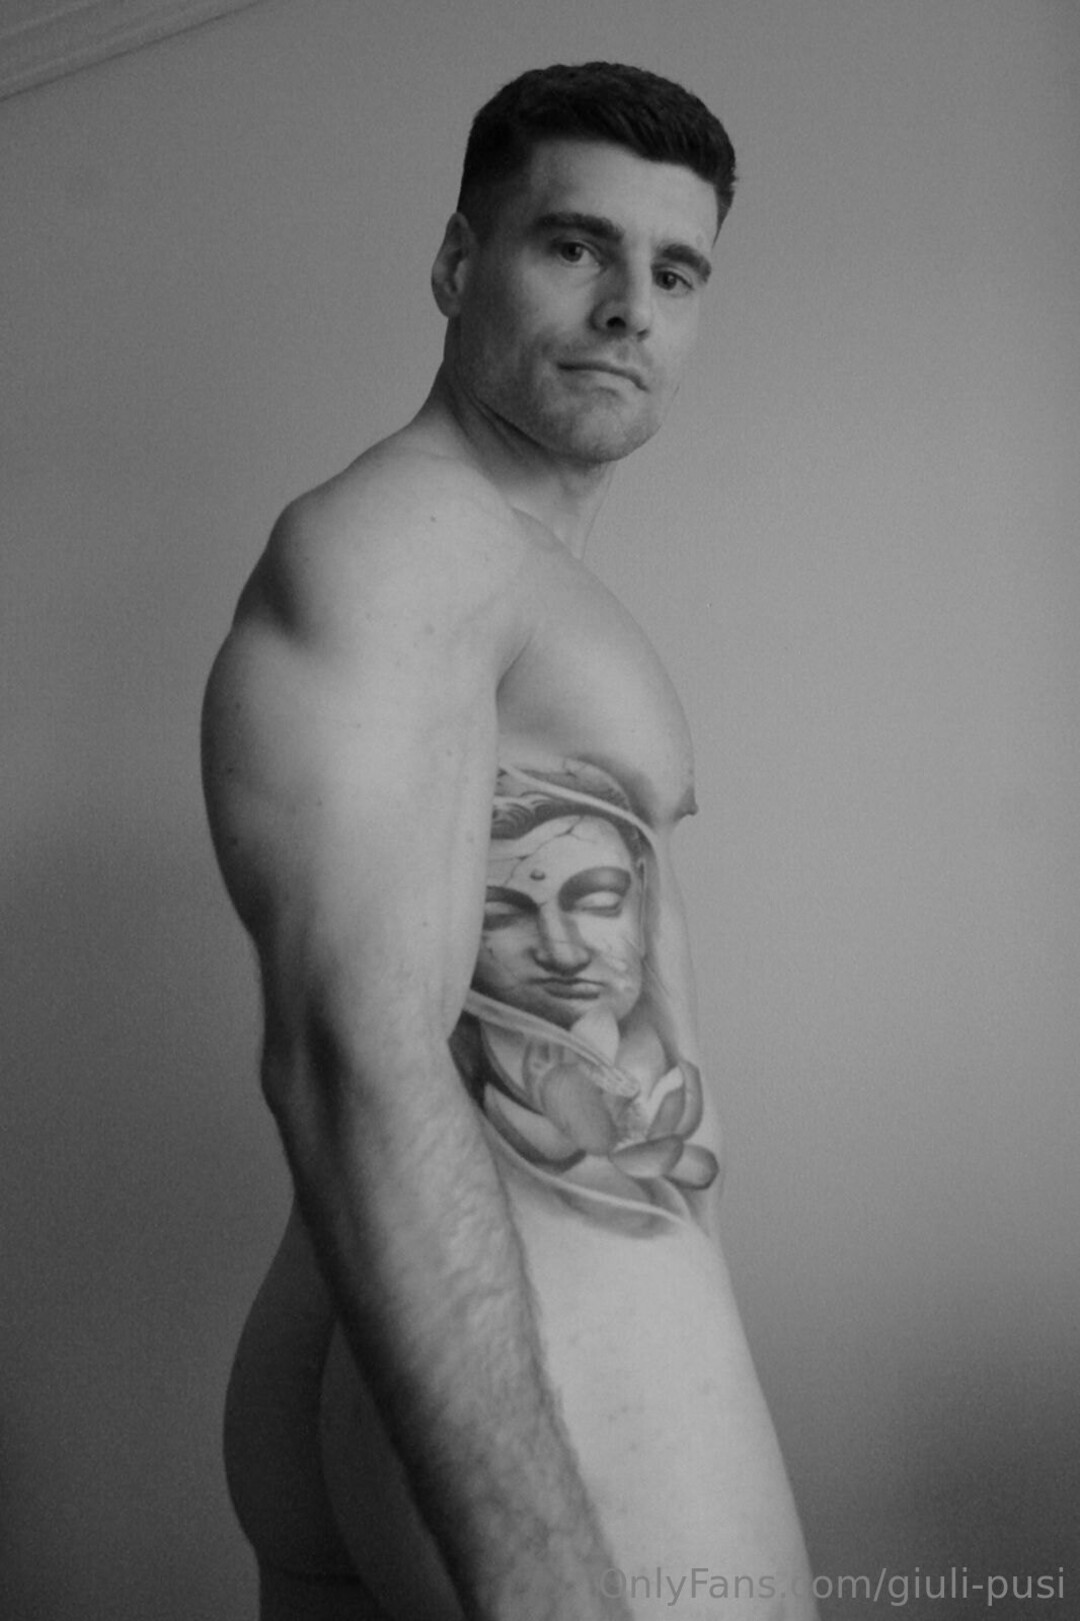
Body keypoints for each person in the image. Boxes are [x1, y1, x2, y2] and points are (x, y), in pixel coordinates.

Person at [202, 61, 817, 1621]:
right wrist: (544, 1571)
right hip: (557, 1364)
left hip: (399, 1336)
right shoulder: (408, 541)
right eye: (574, 244)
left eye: (675, 271)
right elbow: (352, 1056)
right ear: (456, 263)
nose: (628, 307)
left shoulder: (505, 573)